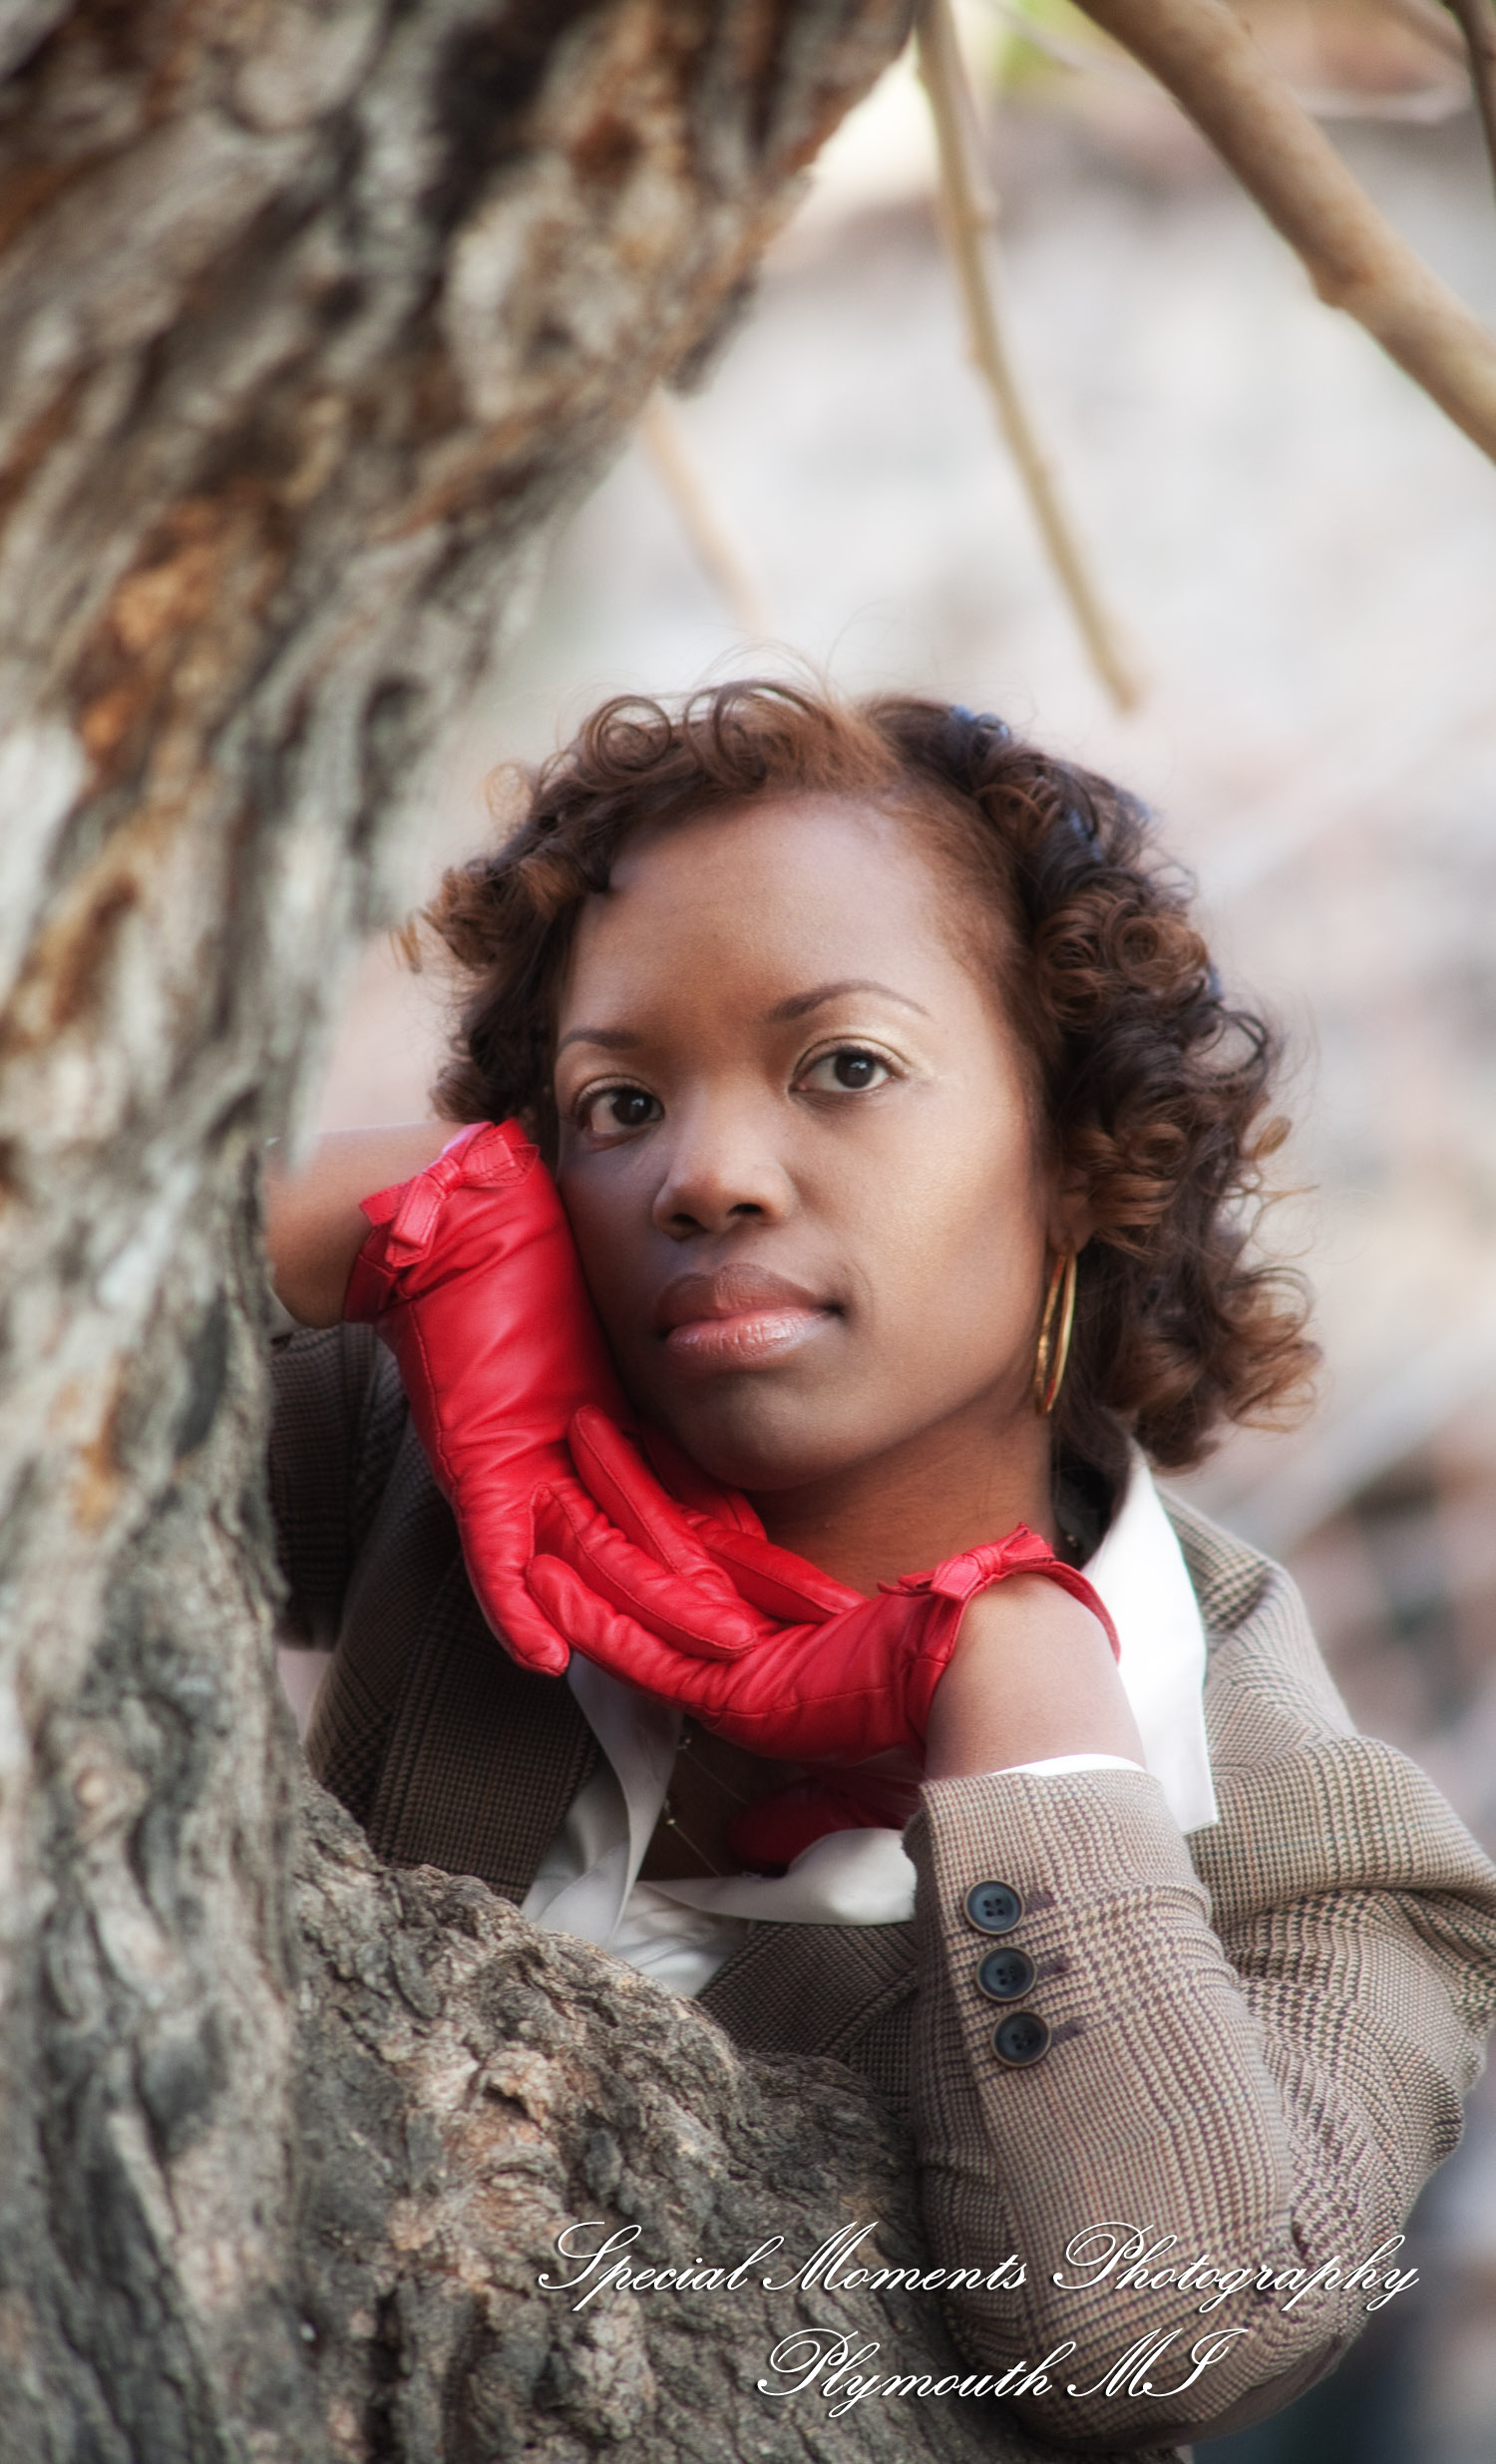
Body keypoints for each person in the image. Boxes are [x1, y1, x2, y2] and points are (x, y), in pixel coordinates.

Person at [264, 680, 1496, 2452]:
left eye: (844, 1066)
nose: (709, 1174)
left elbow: (1164, 2321)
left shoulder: (1332, 1862)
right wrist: (338, 1216)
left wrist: (1021, 1694)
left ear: (1079, 1148)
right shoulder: (417, 1464)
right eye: (616, 1103)